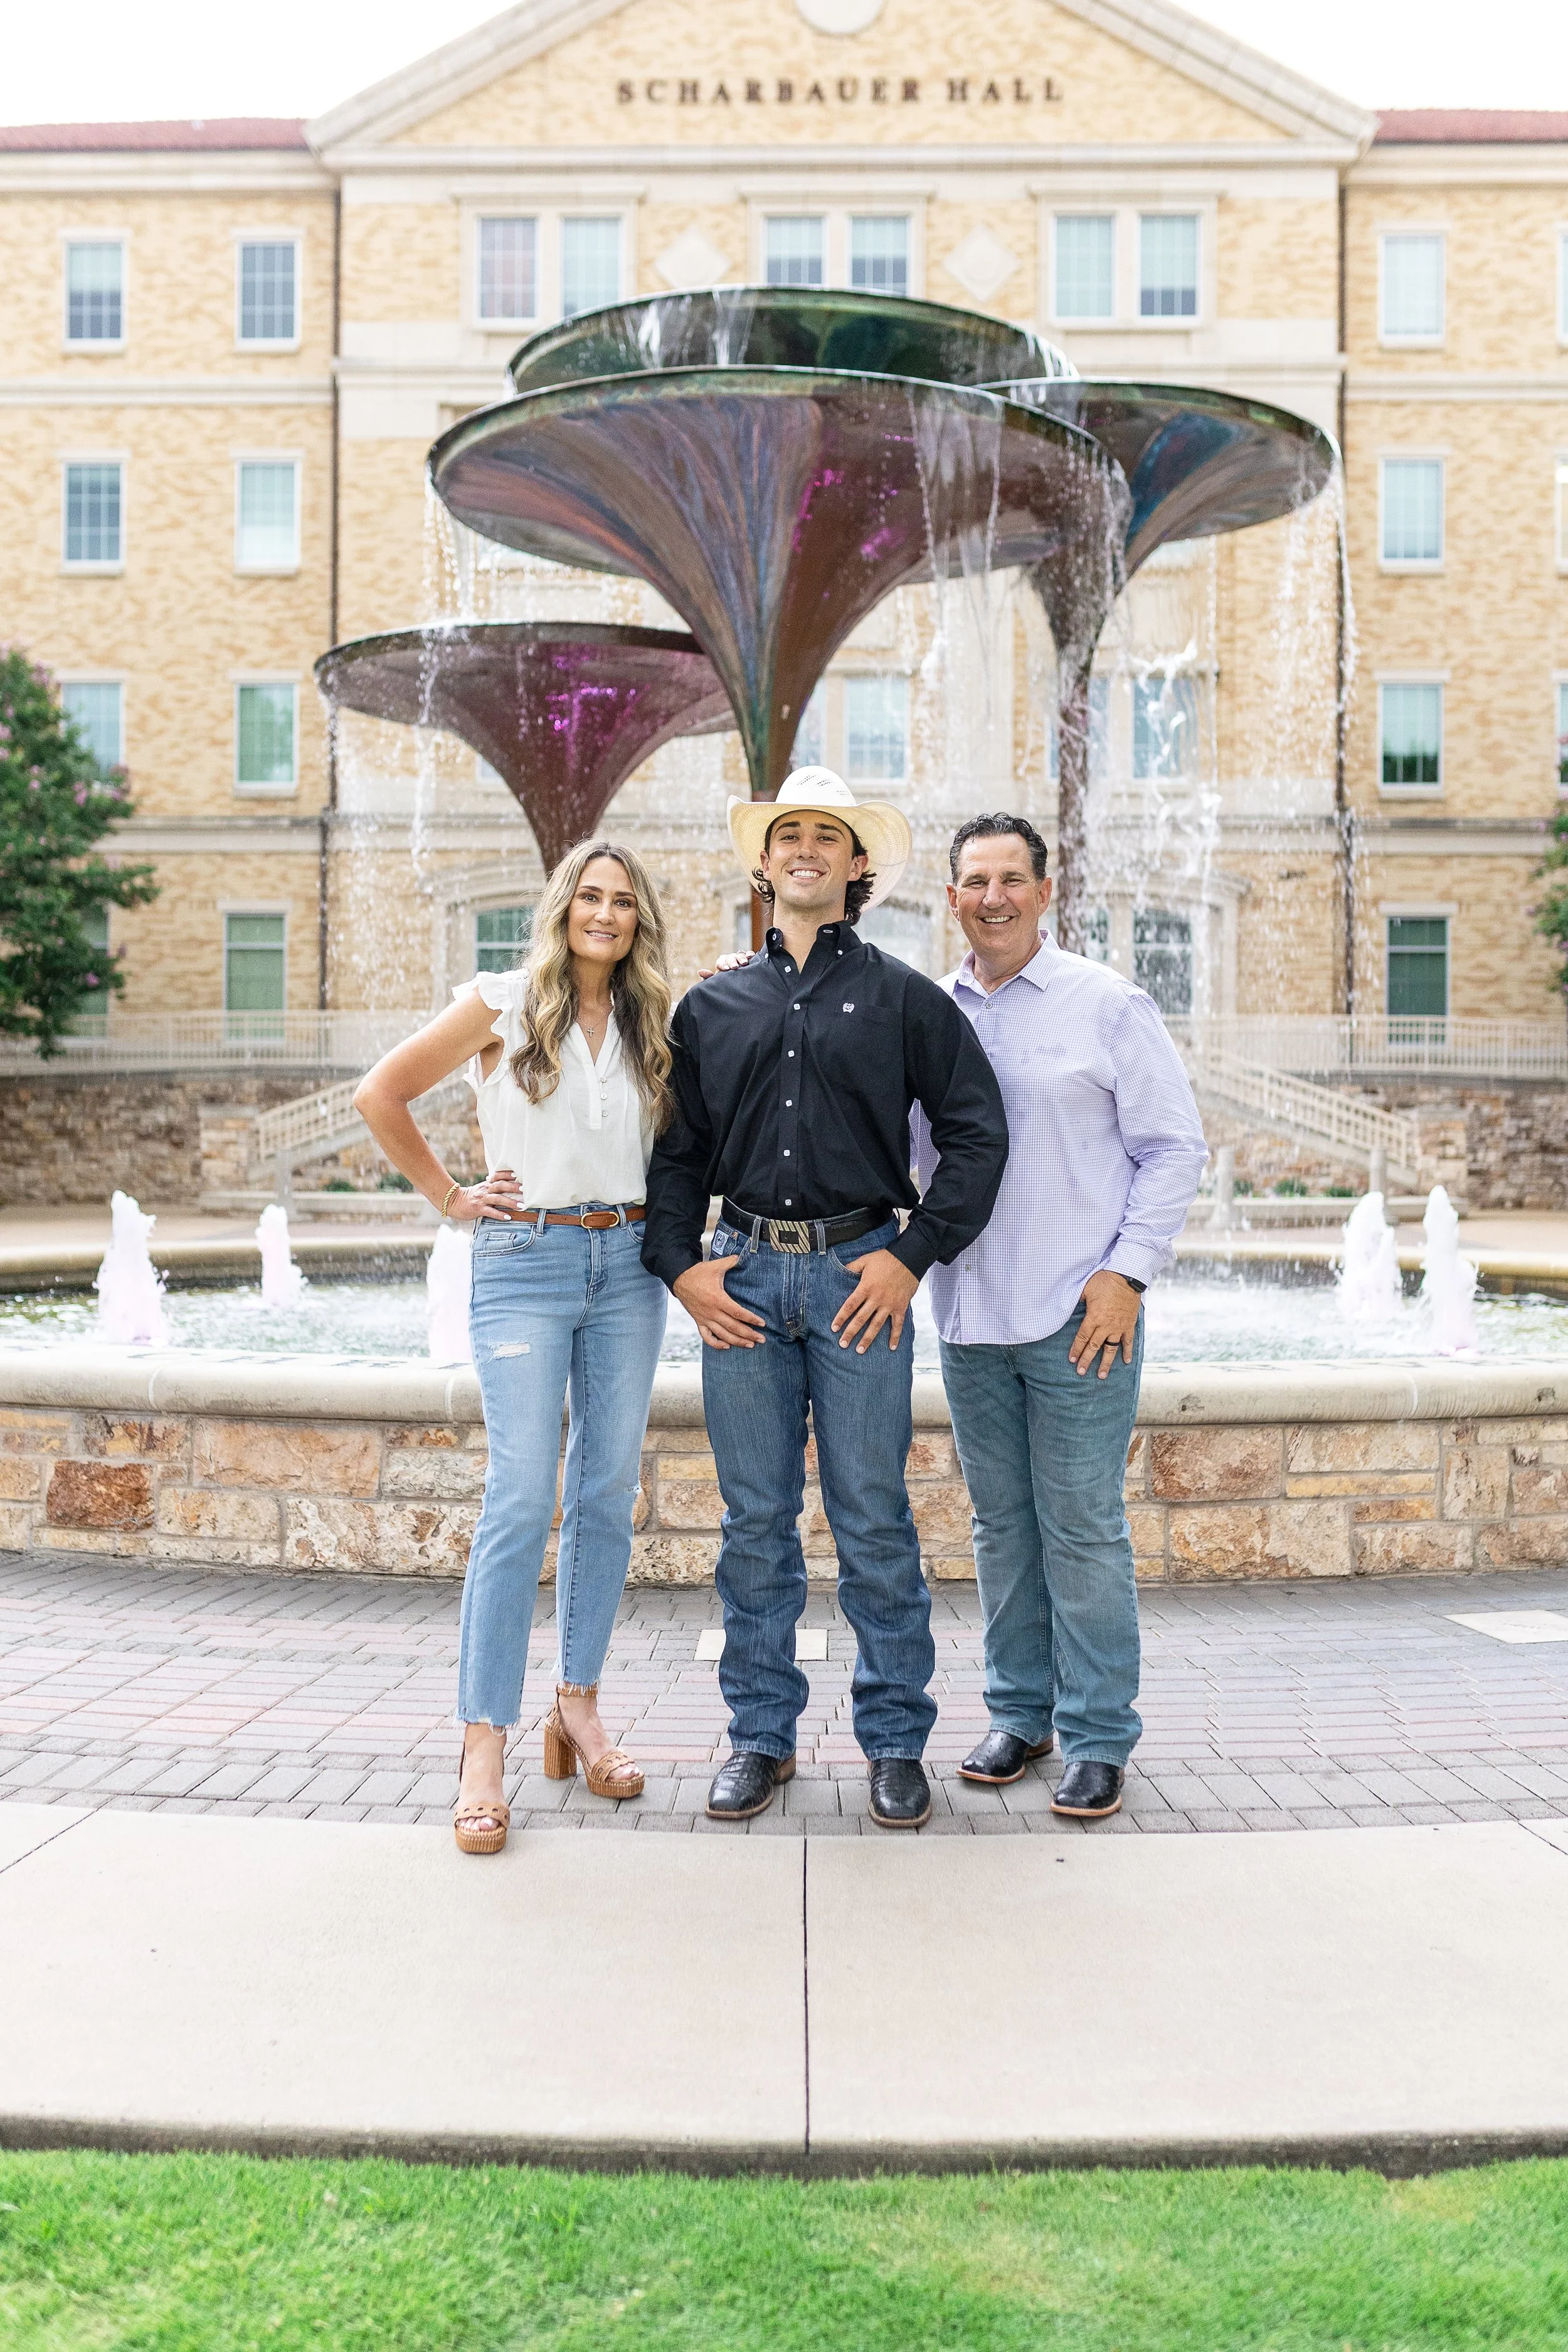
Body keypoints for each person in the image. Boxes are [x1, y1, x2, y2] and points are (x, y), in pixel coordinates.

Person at [642, 767, 1009, 1828]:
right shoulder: (711, 1005)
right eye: (786, 833)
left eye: (827, 836)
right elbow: (677, 1154)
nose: (804, 848)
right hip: (745, 1280)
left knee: (874, 1520)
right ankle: (760, 1737)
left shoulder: (906, 999)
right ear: (764, 863)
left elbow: (978, 1135)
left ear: (857, 868)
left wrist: (915, 1254)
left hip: (862, 1279)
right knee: (755, 1521)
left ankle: (895, 1741)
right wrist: (683, 1267)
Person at [353, 839, 674, 1856]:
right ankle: (481, 1743)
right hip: (525, 1261)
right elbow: (381, 1093)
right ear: (562, 904)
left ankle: (577, 1706)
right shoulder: (501, 1001)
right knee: (523, 1495)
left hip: (627, 1265)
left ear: (639, 920)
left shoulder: (652, 1015)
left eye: (624, 901)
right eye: (591, 894)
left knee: (605, 1490)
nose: (606, 913)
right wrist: (451, 1197)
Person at [913, 814, 1208, 1820]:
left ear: (1046, 890)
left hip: (1082, 1312)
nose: (992, 896)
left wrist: (1128, 1273)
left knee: (1080, 1526)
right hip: (969, 1311)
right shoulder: (928, 1010)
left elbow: (1175, 1147)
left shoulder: (1106, 1004)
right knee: (1002, 1527)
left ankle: (1095, 1734)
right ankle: (1020, 1711)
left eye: (1010, 878)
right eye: (973, 881)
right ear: (950, 896)